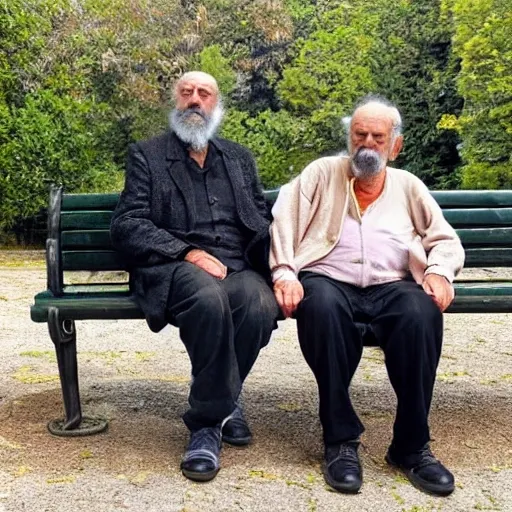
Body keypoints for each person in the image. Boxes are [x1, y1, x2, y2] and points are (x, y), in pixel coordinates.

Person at [269, 95, 465, 496]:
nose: (367, 144)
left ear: (396, 145)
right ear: (349, 138)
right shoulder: (321, 173)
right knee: (319, 305)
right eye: (360, 135)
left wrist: (439, 272)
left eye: (378, 136)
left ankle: (411, 446)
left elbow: (444, 240)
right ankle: (340, 442)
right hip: (329, 280)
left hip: (393, 285)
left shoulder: (408, 186)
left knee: (421, 312)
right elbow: (283, 225)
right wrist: (285, 273)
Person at [110, 71, 279, 482]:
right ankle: (207, 425)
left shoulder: (238, 158)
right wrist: (188, 251)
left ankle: (223, 396)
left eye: (204, 93)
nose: (194, 100)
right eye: (186, 92)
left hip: (237, 266)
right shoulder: (147, 155)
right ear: (175, 100)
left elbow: (261, 219)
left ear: (216, 104)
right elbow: (127, 223)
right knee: (208, 299)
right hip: (177, 266)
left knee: (258, 303)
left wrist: (283, 260)